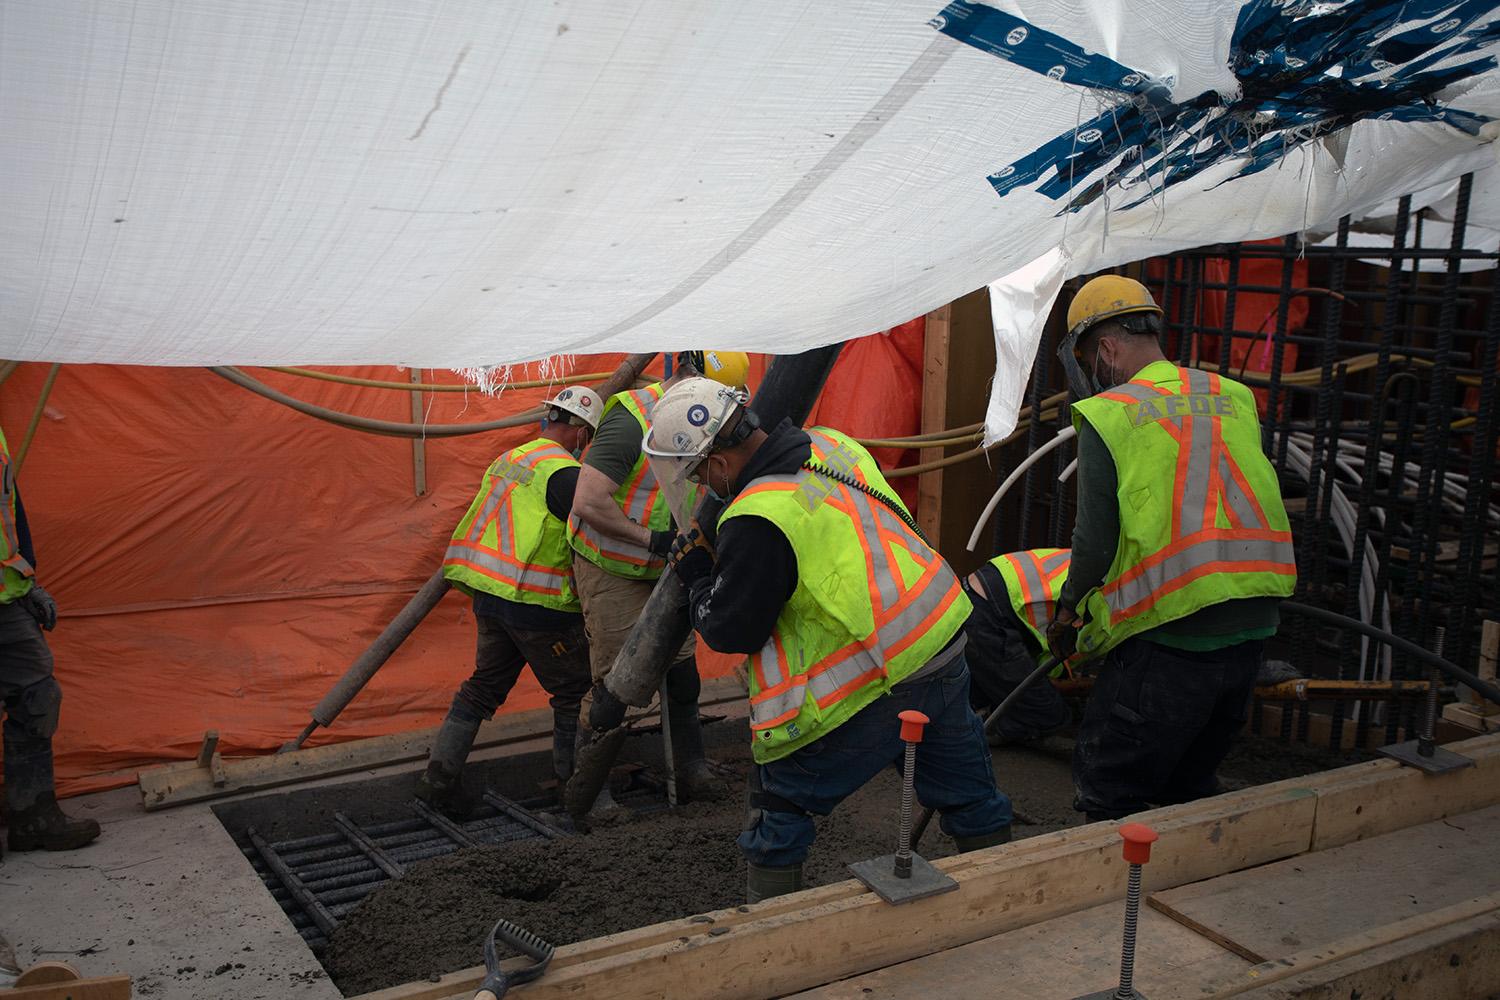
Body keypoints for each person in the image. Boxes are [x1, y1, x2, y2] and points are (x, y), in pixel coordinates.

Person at [642, 378, 1013, 902]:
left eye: (699, 473)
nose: (702, 485)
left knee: (782, 809)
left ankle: (775, 935)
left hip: (872, 680)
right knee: (968, 793)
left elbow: (730, 628)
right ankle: (1000, 899)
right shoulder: (831, 445)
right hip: (937, 639)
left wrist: (699, 573)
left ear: (719, 461)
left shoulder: (757, 519)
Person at [1045, 275, 1297, 821]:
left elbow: (1094, 542)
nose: (1094, 372)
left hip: (1175, 631)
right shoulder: (1231, 395)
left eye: (1091, 359)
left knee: (1109, 785)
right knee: (1188, 783)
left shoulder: (1110, 415)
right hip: (1255, 622)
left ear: (1107, 348)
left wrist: (1068, 610)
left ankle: (1117, 896)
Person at [567, 351, 749, 808]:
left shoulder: (712, 420)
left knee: (681, 672)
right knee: (614, 684)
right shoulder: (632, 417)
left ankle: (690, 770)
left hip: (668, 565)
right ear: (689, 379)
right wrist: (652, 540)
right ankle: (590, 794)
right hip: (614, 566)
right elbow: (589, 500)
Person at [418, 386, 603, 813]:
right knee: (574, 693)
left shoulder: (512, 458)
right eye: (587, 437)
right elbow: (591, 535)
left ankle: (436, 783)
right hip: (536, 605)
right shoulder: (564, 473)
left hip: (489, 595)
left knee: (483, 686)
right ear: (579, 433)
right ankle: (574, 793)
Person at [0, 427, 100, 857]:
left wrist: (28, 579)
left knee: (38, 698)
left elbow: (9, 509)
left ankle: (33, 815)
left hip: (7, 598)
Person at [962, 549, 1074, 745]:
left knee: (981, 694)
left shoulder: (1093, 558)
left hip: (982, 595)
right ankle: (968, 735)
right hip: (989, 617)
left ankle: (976, 710)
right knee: (1050, 716)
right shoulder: (1110, 589)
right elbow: (1054, 656)